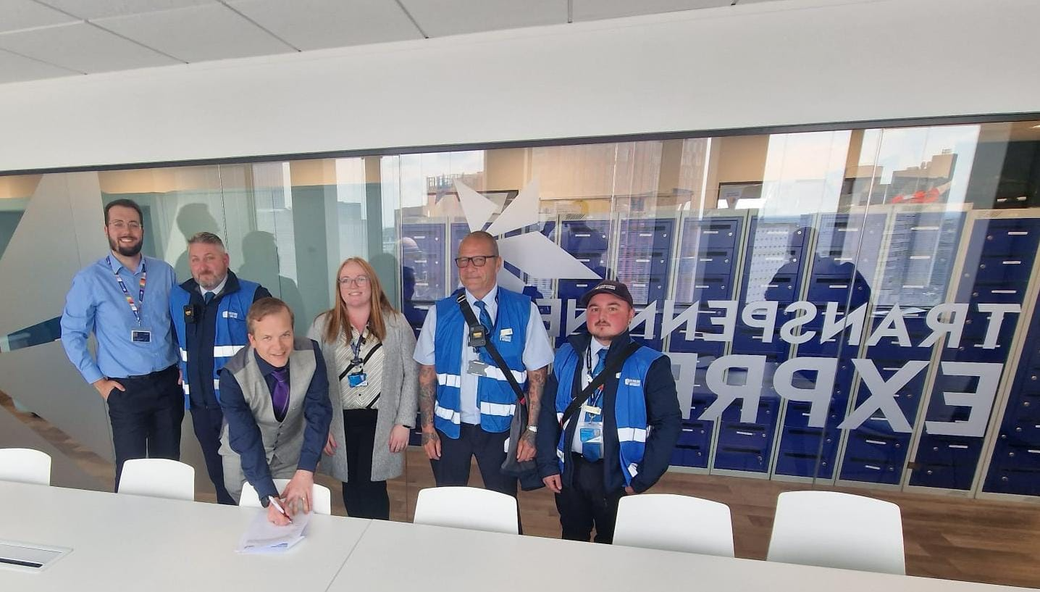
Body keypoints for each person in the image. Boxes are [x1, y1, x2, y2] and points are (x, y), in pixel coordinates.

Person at [536, 280, 681, 543]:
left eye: (612, 308)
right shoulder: (566, 354)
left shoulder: (650, 363)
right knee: (571, 536)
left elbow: (668, 423)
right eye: (594, 309)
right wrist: (547, 465)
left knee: (612, 542)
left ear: (630, 314)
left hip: (618, 473)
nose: (601, 316)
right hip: (571, 469)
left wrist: (642, 479)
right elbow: (548, 412)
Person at [414, 231, 553, 503]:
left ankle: (505, 547)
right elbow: (427, 374)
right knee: (447, 503)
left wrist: (532, 432)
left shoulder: (523, 310)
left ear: (497, 263)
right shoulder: (441, 312)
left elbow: (538, 376)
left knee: (503, 504)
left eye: (479, 260)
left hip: (500, 428)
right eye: (463, 260)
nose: (469, 268)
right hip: (449, 428)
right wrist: (427, 428)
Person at [61, 198, 183, 490]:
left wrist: (183, 364)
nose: (126, 230)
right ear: (106, 230)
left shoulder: (164, 272)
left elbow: (178, 324)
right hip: (125, 389)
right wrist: (98, 383)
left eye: (133, 224)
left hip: (168, 384)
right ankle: (129, 531)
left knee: (169, 467)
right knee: (130, 470)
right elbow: (71, 333)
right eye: (118, 224)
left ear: (142, 229)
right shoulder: (90, 279)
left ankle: (170, 528)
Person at [308, 257, 419, 520]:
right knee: (350, 486)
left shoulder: (395, 323)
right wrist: (319, 427)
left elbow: (411, 374)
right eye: (345, 280)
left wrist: (404, 422)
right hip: (340, 422)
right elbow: (309, 379)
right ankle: (358, 541)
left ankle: (379, 543)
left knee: (374, 488)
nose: (353, 285)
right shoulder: (323, 325)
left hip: (381, 420)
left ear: (372, 283)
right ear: (338, 287)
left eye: (360, 278)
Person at [169, 231, 271, 505]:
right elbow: (175, 342)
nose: (203, 266)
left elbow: (272, 350)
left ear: (225, 259)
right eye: (195, 260)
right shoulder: (178, 297)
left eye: (210, 258)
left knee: (252, 474)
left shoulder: (253, 294)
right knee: (219, 478)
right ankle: (230, 532)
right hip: (201, 407)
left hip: (242, 406)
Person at [217, 297, 332, 524]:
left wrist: (305, 470)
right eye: (267, 338)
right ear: (252, 339)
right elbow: (246, 439)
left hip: (290, 454)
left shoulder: (311, 353)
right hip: (243, 460)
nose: (278, 347)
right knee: (253, 523)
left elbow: (318, 412)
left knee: (294, 522)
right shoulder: (232, 376)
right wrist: (269, 498)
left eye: (285, 335)